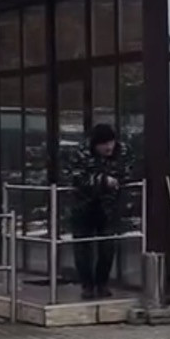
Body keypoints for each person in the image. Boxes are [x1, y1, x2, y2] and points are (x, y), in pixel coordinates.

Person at [68, 122, 124, 299]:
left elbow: (126, 172)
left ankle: (102, 283)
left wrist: (115, 183)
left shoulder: (121, 152)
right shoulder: (81, 154)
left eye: (111, 142)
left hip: (108, 207)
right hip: (83, 207)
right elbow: (77, 179)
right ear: (95, 144)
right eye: (104, 144)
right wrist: (102, 181)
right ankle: (87, 285)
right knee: (83, 248)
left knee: (107, 246)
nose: (108, 147)